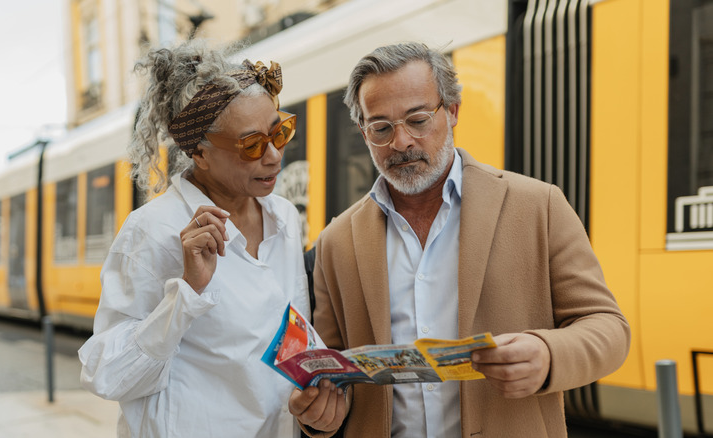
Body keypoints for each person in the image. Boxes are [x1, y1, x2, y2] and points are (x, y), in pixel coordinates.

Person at [288, 42, 630, 437]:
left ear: (452, 112)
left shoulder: (539, 206)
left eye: (417, 120)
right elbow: (332, 373)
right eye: (381, 128)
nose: (401, 143)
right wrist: (319, 414)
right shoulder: (335, 242)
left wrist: (549, 355)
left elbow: (608, 327)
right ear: (363, 132)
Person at [78, 39, 310, 437]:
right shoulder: (153, 230)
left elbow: (294, 337)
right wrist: (186, 293)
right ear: (199, 152)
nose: (273, 155)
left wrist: (319, 392)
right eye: (252, 144)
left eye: (279, 132)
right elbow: (107, 375)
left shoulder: (284, 217)